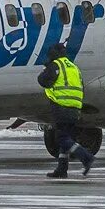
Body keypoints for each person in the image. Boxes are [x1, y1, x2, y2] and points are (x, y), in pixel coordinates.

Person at [37, 42, 95, 179]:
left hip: (61, 106)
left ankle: (86, 157)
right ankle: (62, 169)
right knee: (67, 138)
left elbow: (43, 81)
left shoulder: (56, 65)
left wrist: (45, 70)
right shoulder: (73, 67)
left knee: (62, 138)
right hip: (75, 106)